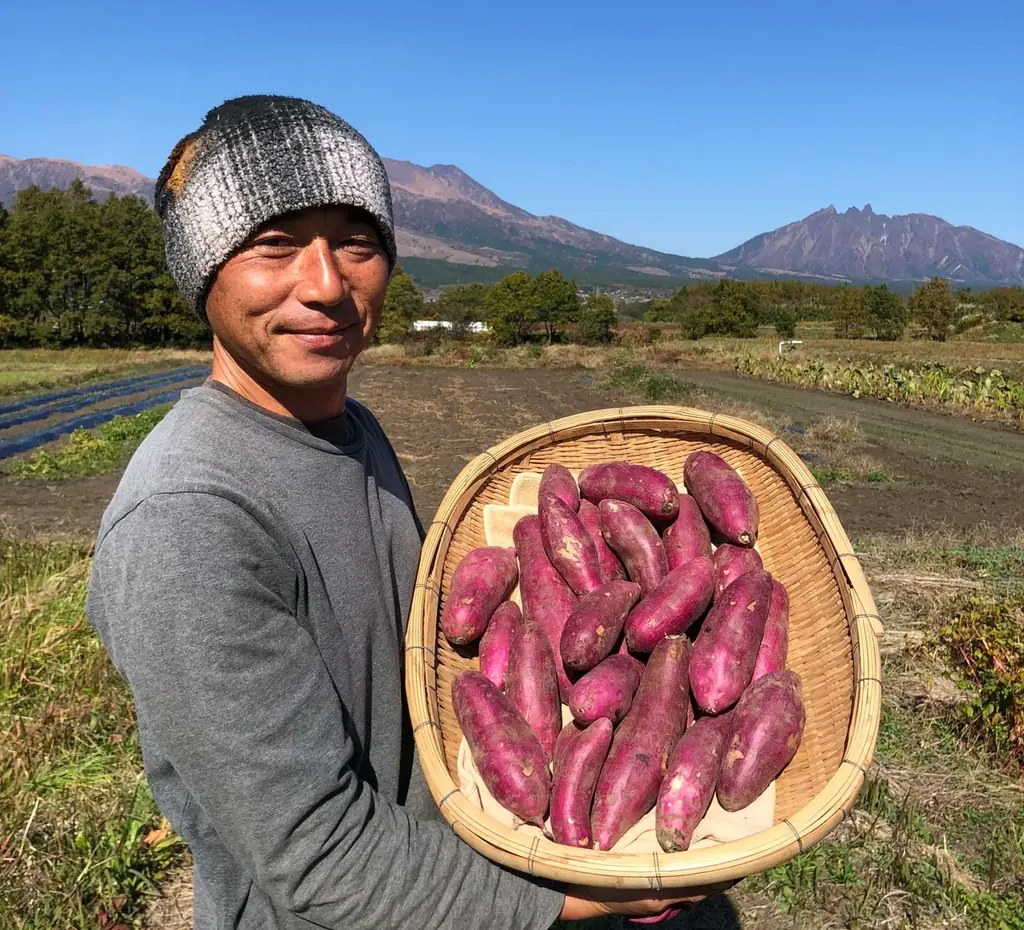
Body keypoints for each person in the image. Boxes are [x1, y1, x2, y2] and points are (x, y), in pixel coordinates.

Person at [85, 95, 712, 929]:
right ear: (205, 271)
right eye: (274, 244)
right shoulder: (186, 523)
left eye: (357, 242)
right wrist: (579, 894)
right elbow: (322, 854)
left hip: (442, 881)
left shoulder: (354, 430)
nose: (326, 284)